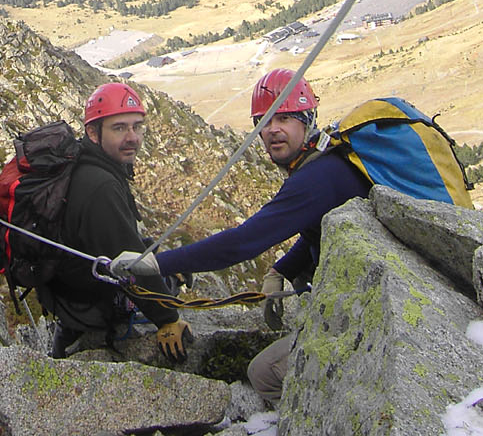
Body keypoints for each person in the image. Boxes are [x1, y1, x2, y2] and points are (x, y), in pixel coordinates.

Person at [110, 69, 370, 404]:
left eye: (284, 118)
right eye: (264, 121)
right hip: (369, 292)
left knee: (264, 373)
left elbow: (242, 242)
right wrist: (281, 270)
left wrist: (158, 264)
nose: (272, 129)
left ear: (307, 121)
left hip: (366, 309)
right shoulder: (326, 164)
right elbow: (319, 229)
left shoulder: (316, 178)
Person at [44, 81, 191, 363]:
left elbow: (111, 239)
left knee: (167, 264)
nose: (132, 137)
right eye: (119, 128)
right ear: (93, 132)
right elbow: (130, 261)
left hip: (73, 299)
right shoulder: (101, 186)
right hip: (92, 306)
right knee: (170, 281)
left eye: (137, 127)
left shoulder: (91, 165)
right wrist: (168, 319)